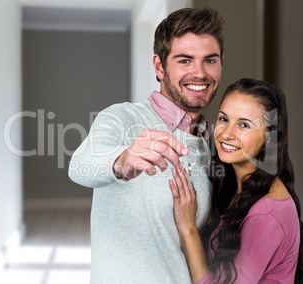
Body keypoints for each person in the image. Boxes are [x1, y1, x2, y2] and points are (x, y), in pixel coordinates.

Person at [68, 7, 225, 284]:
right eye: (185, 61)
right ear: (159, 66)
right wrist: (123, 161)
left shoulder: (213, 144)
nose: (199, 73)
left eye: (209, 60)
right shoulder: (122, 118)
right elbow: (80, 166)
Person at [169, 78, 303, 283]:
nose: (227, 133)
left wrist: (188, 228)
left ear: (269, 136)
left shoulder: (266, 214)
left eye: (243, 125)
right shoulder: (237, 187)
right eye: (224, 119)